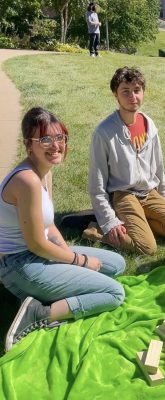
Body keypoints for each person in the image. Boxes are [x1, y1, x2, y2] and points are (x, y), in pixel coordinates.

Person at [0, 107, 126, 352]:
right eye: (45, 139)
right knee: (113, 293)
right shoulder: (27, 181)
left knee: (117, 264)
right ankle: (38, 313)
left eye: (60, 138)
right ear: (29, 145)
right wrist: (79, 260)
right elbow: (36, 244)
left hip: (38, 255)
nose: (56, 145)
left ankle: (45, 291)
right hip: (19, 266)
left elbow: (49, 227)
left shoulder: (44, 172)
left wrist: (66, 257)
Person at [88, 67, 165, 255]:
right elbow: (97, 183)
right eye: (125, 92)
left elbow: (159, 168)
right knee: (147, 248)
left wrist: (164, 200)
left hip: (148, 192)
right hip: (123, 194)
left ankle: (138, 222)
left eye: (137, 90)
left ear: (143, 92)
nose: (132, 96)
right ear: (115, 95)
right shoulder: (104, 132)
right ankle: (98, 230)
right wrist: (109, 222)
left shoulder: (149, 126)